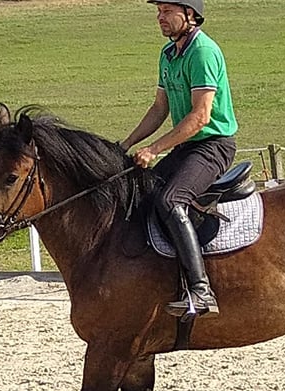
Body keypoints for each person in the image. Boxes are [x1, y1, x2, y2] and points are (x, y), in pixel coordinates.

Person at [120, 0, 238, 319]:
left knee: (172, 200)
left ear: (189, 15)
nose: (160, 18)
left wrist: (154, 149)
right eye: (158, 12)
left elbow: (201, 116)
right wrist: (126, 144)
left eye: (167, 11)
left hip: (213, 145)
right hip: (187, 146)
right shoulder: (168, 55)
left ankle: (201, 291)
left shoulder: (203, 52)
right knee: (143, 193)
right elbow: (160, 109)